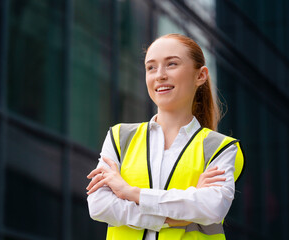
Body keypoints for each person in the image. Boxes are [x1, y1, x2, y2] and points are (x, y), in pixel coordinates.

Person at [86, 33, 244, 240]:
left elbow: (212, 207)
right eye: (151, 67)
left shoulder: (221, 147)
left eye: (171, 64)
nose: (159, 75)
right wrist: (175, 214)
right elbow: (99, 205)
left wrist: (131, 193)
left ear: (201, 75)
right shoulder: (119, 137)